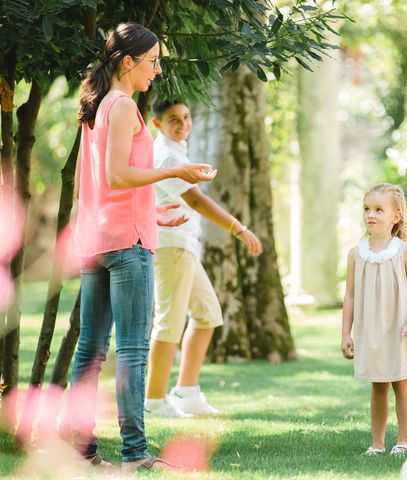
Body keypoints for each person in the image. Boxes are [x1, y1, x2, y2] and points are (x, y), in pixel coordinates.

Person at [69, 22, 215, 471]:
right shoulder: (122, 107)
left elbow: (91, 186)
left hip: (98, 238)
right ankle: (134, 454)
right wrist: (175, 173)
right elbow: (117, 176)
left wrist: (152, 211)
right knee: (132, 348)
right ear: (128, 62)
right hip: (127, 246)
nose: (157, 70)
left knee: (90, 348)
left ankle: (80, 453)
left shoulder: (95, 105)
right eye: (152, 62)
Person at [144, 98, 262, 417]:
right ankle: (154, 400)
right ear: (158, 124)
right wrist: (239, 229)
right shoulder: (166, 155)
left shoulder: (176, 151)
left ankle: (186, 393)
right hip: (171, 246)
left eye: (186, 117)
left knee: (208, 314)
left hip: (184, 246)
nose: (183, 124)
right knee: (169, 322)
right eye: (173, 120)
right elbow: (197, 201)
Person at [341, 183, 407, 456]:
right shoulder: (356, 253)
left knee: (401, 382)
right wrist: (346, 333)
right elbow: (351, 296)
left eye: (379, 210)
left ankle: (404, 440)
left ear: (396, 216)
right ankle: (377, 443)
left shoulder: (403, 251)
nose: (371, 215)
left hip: (399, 327)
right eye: (367, 209)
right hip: (371, 330)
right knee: (378, 385)